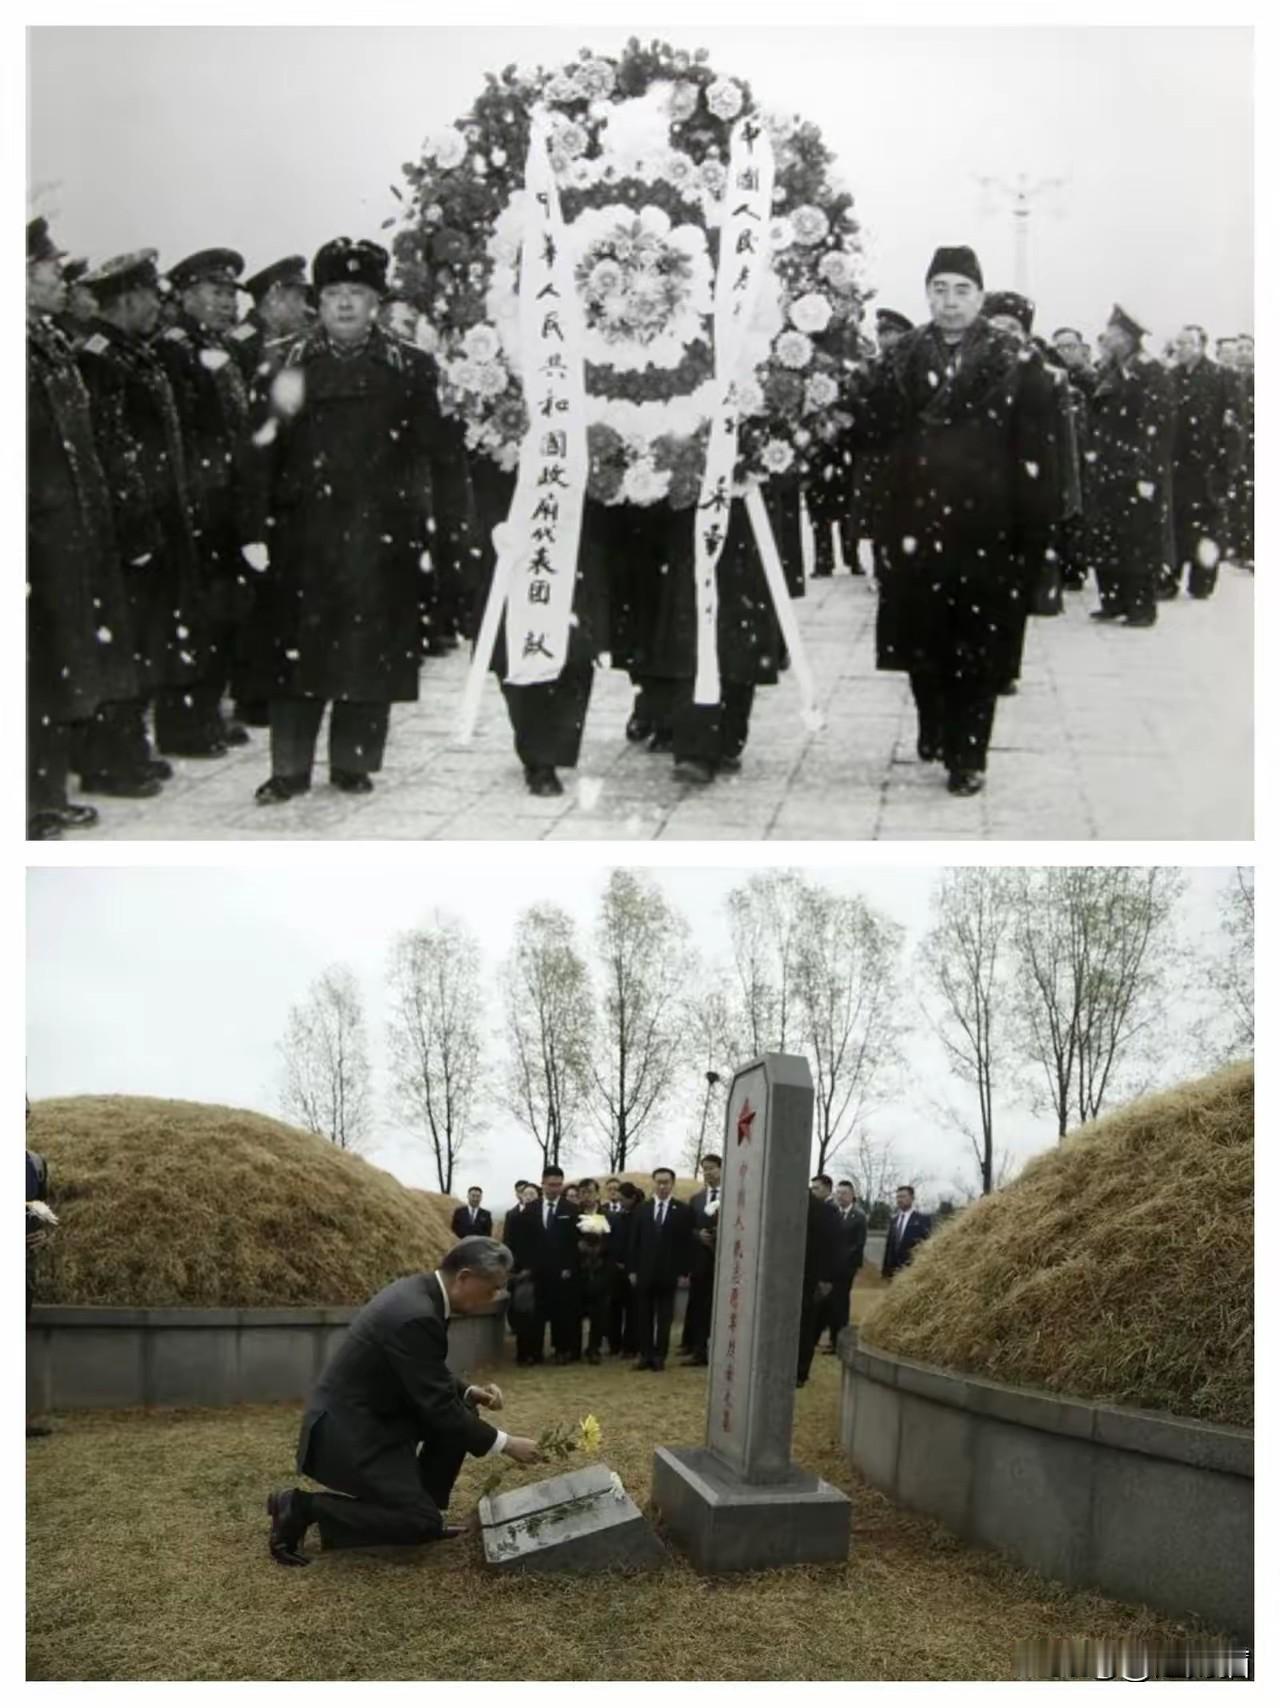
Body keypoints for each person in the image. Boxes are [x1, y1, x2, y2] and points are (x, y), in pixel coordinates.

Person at [243, 237, 477, 804]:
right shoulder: (282, 362)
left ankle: (354, 761)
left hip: (382, 537)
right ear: (318, 301)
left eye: (357, 292)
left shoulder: (411, 367)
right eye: (333, 293)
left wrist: (448, 532)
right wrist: (252, 529)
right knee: (295, 659)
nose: (345, 304)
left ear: (377, 301)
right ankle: (289, 769)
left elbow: (439, 457)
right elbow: (256, 456)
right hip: (302, 537)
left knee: (372, 652)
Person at [846, 245, 1060, 797]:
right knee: (922, 641)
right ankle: (934, 721)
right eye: (939, 289)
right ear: (927, 294)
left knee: (978, 646)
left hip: (988, 527)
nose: (950, 301)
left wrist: (1036, 532)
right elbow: (872, 437)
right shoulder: (900, 358)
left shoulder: (1018, 362)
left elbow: (1039, 452)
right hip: (913, 522)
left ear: (981, 297)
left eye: (962, 290)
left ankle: (969, 754)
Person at [266, 1237, 541, 1565]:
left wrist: (467, 1391)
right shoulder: (416, 1313)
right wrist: (507, 1444)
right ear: (464, 1277)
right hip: (349, 1433)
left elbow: (419, 1364)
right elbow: (439, 1408)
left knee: (463, 1409)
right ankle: (300, 1506)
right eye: (493, 1288)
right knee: (419, 1522)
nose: (496, 1296)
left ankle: (420, 1506)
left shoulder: (421, 1293)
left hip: (373, 1415)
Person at [73, 248, 200, 799]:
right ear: (126, 298)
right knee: (121, 644)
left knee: (145, 640)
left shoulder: (131, 352)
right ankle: (110, 758)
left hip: (153, 518)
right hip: (127, 528)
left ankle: (130, 748)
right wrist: (136, 526)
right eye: (150, 295)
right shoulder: (99, 359)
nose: (157, 306)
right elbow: (113, 449)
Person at [27, 218, 137, 840]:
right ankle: (30, 803)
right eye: (49, 268)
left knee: (57, 666)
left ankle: (45, 794)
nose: (61, 279)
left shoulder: (44, 342)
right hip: (34, 540)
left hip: (65, 534)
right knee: (33, 672)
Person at [152, 247, 255, 758]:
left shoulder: (221, 347)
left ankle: (209, 710)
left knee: (224, 613)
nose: (227, 304)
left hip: (226, 500)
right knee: (193, 616)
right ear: (188, 294)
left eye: (230, 294)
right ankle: (184, 722)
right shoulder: (174, 351)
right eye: (216, 293)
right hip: (197, 502)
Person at [1083, 305, 1175, 628]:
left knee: (1138, 540)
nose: (1106, 339)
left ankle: (1140, 607)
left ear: (1126, 337)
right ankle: (1113, 601)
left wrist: (1148, 472)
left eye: (1112, 334)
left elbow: (1158, 426)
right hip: (1108, 467)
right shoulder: (1110, 369)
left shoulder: (1150, 371)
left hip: (1135, 470)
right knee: (1107, 537)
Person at [1164, 325, 1239, 601]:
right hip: (1177, 466)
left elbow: (1234, 431)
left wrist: (1227, 468)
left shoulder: (1222, 377)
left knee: (1207, 527)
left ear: (1201, 346)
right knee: (1175, 524)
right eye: (1178, 343)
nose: (1181, 348)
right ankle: (1169, 578)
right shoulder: (1170, 377)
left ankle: (1202, 580)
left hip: (1208, 467)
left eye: (1187, 343)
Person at [628, 1167, 691, 1372]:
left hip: (669, 1273)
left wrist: (684, 1272)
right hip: (644, 1271)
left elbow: (686, 1245)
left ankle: (659, 1356)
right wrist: (632, 1270)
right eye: (659, 1182)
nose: (662, 1186)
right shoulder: (642, 1209)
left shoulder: (682, 1210)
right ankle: (644, 1354)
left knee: (664, 1318)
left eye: (666, 1182)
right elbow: (634, 1242)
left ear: (672, 1184)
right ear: (653, 1183)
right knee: (643, 1315)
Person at [231, 255, 310, 383]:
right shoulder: (241, 340)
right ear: (273, 296)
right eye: (297, 298)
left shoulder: (284, 338)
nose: (304, 307)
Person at [796, 1184, 843, 1387]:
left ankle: (799, 1372)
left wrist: (826, 1280)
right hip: (787, 1278)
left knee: (806, 1326)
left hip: (811, 1279)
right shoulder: (780, 1207)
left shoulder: (826, 1212)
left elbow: (834, 1247)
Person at [532, 1164, 579, 1364]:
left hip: (562, 1271)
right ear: (542, 1183)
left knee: (562, 1313)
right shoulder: (531, 1209)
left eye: (559, 1185)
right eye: (551, 1185)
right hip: (537, 1270)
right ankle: (534, 1352)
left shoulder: (571, 1209)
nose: (555, 1189)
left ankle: (561, 1350)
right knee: (537, 1313)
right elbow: (525, 1240)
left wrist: (569, 1266)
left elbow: (575, 1242)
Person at [681, 1153, 721, 1366]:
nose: (708, 1172)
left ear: (722, 1169)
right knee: (699, 1306)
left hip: (725, 1262)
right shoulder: (696, 1199)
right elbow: (688, 1229)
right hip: (700, 1263)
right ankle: (699, 1350)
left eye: (712, 1168)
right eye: (704, 1169)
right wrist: (699, 1235)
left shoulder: (735, 1196)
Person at [821, 1180, 868, 1353]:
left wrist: (840, 1261)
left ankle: (839, 1342)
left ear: (852, 1195)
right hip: (830, 1269)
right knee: (829, 1303)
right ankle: (831, 1338)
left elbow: (858, 1245)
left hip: (846, 1269)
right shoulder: (833, 1213)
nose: (840, 1196)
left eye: (844, 1193)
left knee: (840, 1304)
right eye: (838, 1193)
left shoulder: (859, 1217)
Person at [501, 1184, 545, 1365]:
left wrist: (535, 1267)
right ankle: (523, 1353)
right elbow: (509, 1243)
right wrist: (517, 1268)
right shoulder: (514, 1217)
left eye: (532, 1194)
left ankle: (537, 1352)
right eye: (526, 1194)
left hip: (540, 1272)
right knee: (522, 1313)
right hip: (520, 1272)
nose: (529, 1197)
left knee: (538, 1315)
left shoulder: (543, 1217)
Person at [574, 1186, 613, 1365]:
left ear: (597, 1194)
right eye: (583, 1193)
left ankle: (594, 1348)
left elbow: (614, 1242)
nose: (587, 1196)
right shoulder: (573, 1215)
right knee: (575, 1313)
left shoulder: (608, 1216)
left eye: (590, 1192)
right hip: (579, 1271)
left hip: (601, 1270)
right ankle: (574, 1349)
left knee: (599, 1313)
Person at [882, 1185, 932, 1280]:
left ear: (912, 1198)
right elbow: (889, 1247)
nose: (899, 1200)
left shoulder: (922, 1220)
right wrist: (885, 1270)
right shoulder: (894, 1220)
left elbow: (926, 1245)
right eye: (898, 1197)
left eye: (903, 1196)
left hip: (912, 1271)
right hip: (893, 1271)